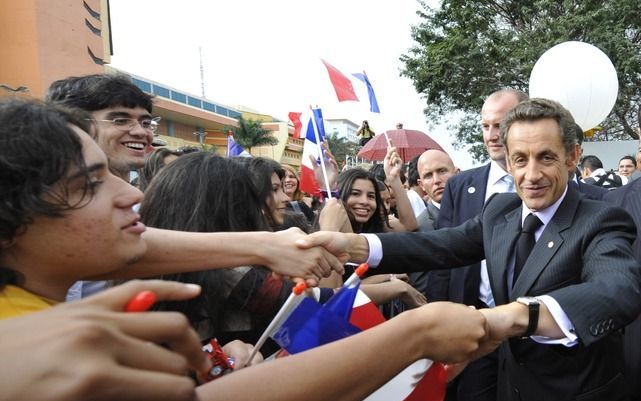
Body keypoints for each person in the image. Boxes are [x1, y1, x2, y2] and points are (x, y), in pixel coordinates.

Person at [301, 98, 641, 401]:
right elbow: (440, 245)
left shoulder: (602, 218)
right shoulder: (500, 211)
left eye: (546, 157)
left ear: (572, 156)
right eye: (520, 159)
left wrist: (510, 317)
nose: (531, 174)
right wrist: (353, 245)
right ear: (507, 160)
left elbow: (616, 290)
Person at [46, 73, 343, 288]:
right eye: (120, 119)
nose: (140, 132)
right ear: (72, 125)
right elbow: (120, 251)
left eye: (146, 121)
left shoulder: (138, 209)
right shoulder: (43, 201)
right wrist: (264, 245)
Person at [430, 88, 528, 401]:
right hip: (474, 327)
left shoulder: (551, 182)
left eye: (500, 124)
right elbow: (441, 255)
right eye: (485, 126)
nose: (492, 134)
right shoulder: (461, 186)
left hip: (535, 330)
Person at [411, 149, 459, 298]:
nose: (436, 180)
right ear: (421, 184)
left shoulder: (479, 213)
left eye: (442, 171)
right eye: (428, 175)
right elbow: (422, 287)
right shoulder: (420, 227)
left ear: (457, 174)